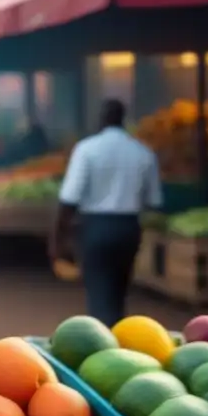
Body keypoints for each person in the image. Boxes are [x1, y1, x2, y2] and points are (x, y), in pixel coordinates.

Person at [51, 98, 162, 326]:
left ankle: (104, 340)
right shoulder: (143, 152)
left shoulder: (87, 149)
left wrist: (57, 239)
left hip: (95, 227)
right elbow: (154, 201)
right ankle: (118, 335)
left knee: (99, 290)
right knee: (119, 290)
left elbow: (69, 198)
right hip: (129, 228)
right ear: (124, 119)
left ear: (101, 118)